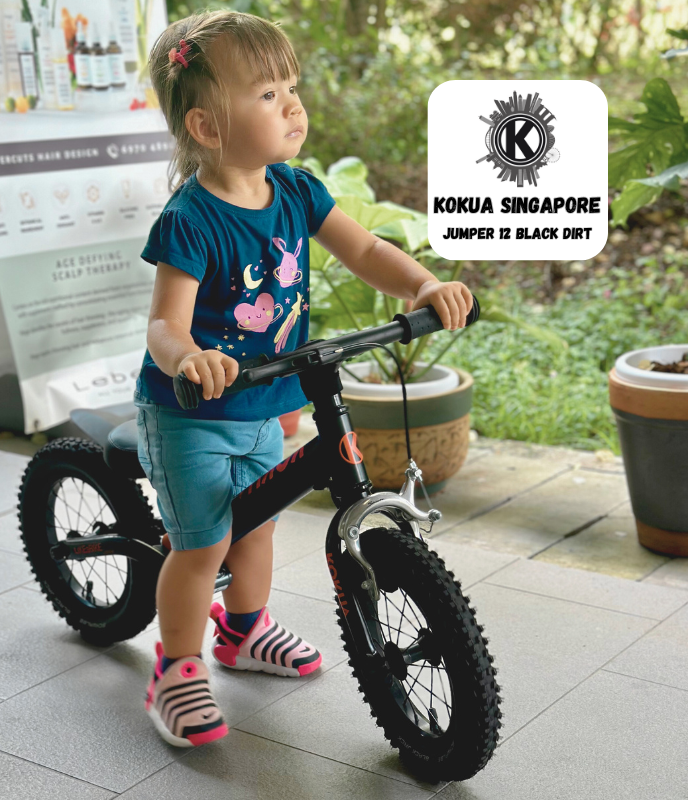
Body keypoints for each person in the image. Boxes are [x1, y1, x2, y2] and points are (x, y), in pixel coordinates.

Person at [134, 9, 474, 749]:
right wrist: (188, 354)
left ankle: (245, 632)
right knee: (202, 545)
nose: (292, 103)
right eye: (266, 93)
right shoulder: (192, 220)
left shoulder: (295, 190)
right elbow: (164, 323)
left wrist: (419, 285)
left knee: (257, 529)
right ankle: (177, 668)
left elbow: (363, 249)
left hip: (266, 400)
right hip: (192, 412)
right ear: (207, 126)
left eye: (291, 85)